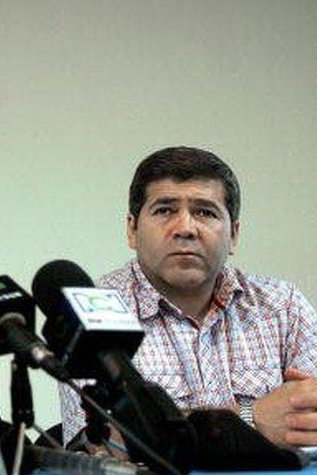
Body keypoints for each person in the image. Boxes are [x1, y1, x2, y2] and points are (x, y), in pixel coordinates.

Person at [59, 146, 317, 448]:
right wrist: (252, 417)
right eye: (165, 210)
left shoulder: (282, 306)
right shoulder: (95, 313)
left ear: (233, 235)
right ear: (132, 229)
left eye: (205, 212)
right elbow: (96, 442)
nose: (185, 228)